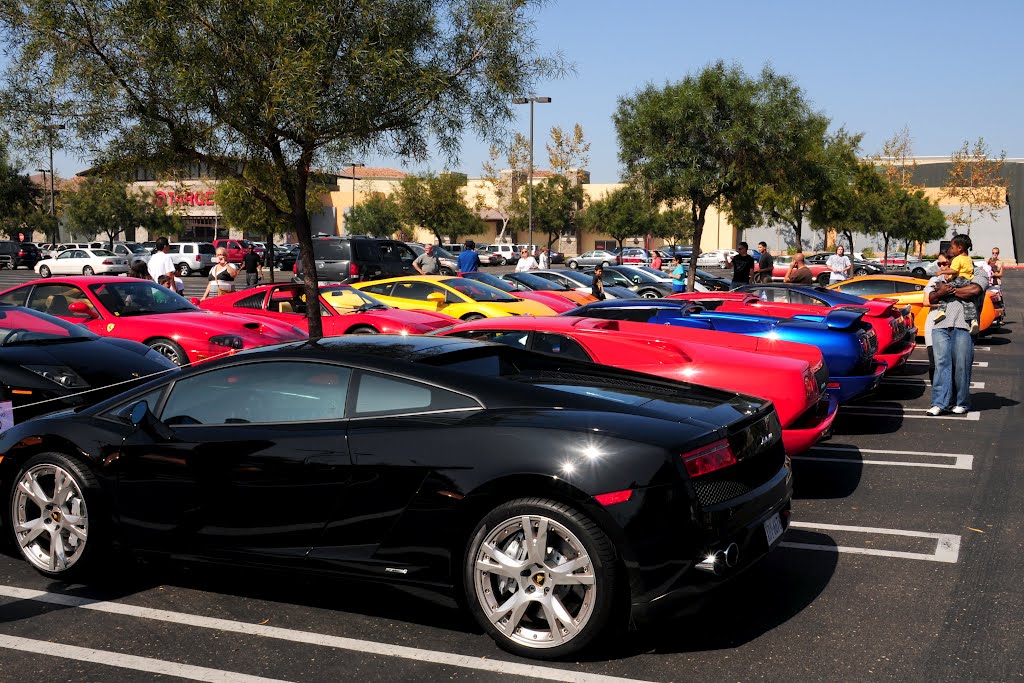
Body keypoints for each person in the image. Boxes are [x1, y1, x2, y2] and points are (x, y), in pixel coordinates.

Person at [924, 247, 988, 416]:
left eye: (949, 260)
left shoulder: (978, 272)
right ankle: (940, 403)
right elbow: (930, 298)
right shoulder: (941, 276)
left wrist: (947, 291)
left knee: (961, 366)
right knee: (941, 366)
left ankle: (962, 402)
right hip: (940, 326)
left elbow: (973, 291)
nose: (945, 264)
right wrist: (941, 292)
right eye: (943, 262)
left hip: (964, 325)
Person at [933, 235, 978, 333]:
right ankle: (973, 320)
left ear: (960, 248)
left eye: (953, 248)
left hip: (959, 280)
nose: (952, 251)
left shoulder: (958, 259)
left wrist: (941, 272)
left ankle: (941, 311)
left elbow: (954, 271)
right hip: (967, 281)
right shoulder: (969, 259)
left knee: (943, 291)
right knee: (968, 301)